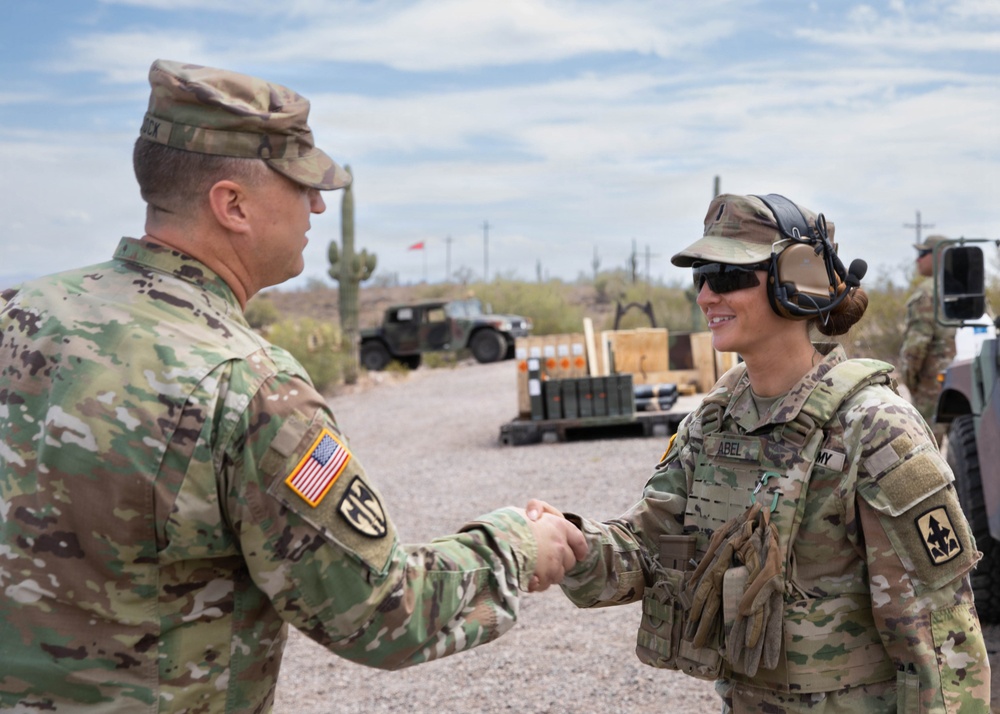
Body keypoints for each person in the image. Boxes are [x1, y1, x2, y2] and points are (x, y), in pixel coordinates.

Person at [0, 59, 586, 712]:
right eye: (300, 184)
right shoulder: (247, 385)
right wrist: (516, 544)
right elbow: (379, 611)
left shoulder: (16, 313)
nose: (316, 203)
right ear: (233, 205)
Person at [528, 193, 990, 712]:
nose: (706, 296)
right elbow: (649, 551)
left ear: (797, 282)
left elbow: (942, 641)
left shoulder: (875, 428)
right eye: (700, 277)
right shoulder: (712, 421)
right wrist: (574, 545)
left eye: (727, 277)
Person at [899, 234, 956, 443]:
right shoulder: (967, 289)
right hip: (965, 384)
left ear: (939, 255)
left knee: (926, 454)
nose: (918, 259)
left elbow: (915, 347)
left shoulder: (927, 292)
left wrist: (910, 381)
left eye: (923, 253)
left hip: (931, 388)